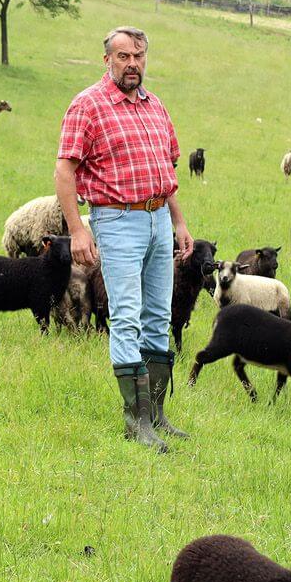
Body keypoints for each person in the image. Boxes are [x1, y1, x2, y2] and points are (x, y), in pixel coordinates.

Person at [55, 26, 194, 452]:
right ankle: (136, 423)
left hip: (158, 219)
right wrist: (78, 229)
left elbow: (166, 173)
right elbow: (65, 171)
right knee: (128, 317)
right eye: (123, 57)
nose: (132, 64)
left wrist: (180, 222)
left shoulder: (156, 106)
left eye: (138, 56)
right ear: (107, 60)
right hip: (117, 221)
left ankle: (156, 415)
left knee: (158, 317)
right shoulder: (88, 105)